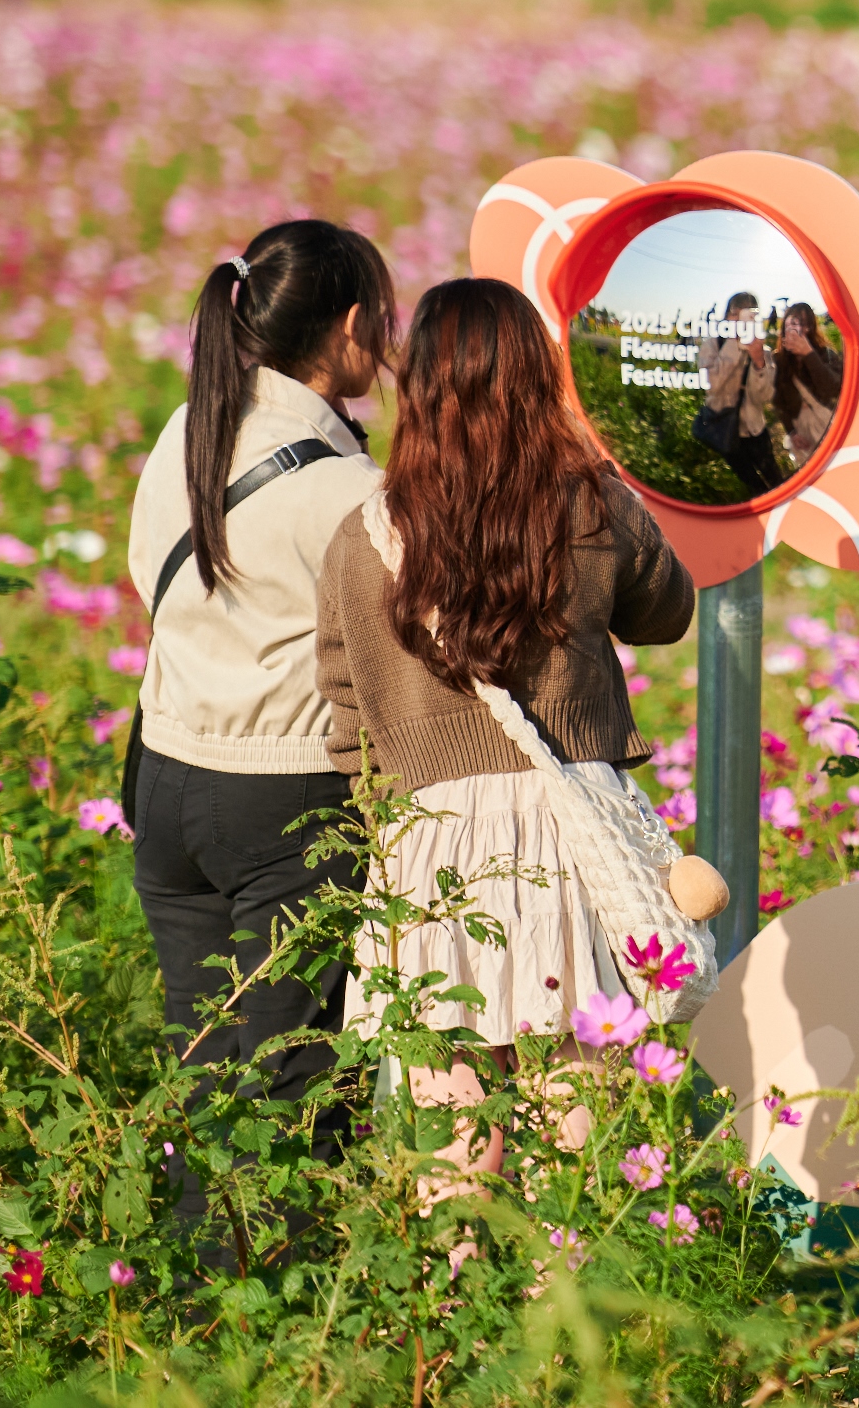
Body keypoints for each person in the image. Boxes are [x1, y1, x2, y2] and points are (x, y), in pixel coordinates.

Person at [313, 279, 695, 1162]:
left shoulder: (363, 532)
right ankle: (555, 1287)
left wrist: (385, 824)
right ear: (537, 378)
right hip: (570, 825)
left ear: (421, 387)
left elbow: (343, 699)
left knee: (452, 1120)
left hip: (434, 841)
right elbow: (666, 612)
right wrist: (606, 465)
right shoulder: (591, 504)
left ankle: (454, 1292)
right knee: (569, 1113)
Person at [126, 220, 395, 1204]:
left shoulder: (184, 432)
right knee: (292, 1085)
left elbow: (141, 574)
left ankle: (195, 1313)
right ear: (355, 326)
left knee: (204, 1069)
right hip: (283, 806)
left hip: (164, 787)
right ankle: (275, 1335)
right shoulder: (347, 490)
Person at [697, 291, 781, 496]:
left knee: (776, 479)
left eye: (749, 315)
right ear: (727, 317)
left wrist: (759, 361)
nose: (742, 321)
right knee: (752, 484)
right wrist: (734, 345)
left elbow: (766, 397)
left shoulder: (762, 350)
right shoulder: (712, 345)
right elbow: (710, 385)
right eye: (737, 314)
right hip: (724, 429)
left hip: (755, 428)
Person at [770, 301, 845, 469]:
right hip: (801, 426)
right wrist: (791, 432)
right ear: (784, 327)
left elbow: (833, 389)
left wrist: (809, 355)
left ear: (811, 328)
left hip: (828, 422)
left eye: (805, 324)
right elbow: (778, 401)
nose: (800, 330)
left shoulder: (825, 354)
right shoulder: (778, 361)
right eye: (794, 323)